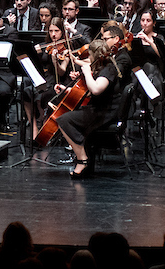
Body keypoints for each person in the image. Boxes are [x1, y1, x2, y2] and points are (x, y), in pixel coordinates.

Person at [55, 22, 132, 178]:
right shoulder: (106, 66)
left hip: (105, 113)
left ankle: (82, 159)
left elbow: (96, 89)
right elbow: (90, 92)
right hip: (101, 108)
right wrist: (67, 90)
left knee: (63, 120)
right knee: (70, 116)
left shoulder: (109, 69)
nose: (88, 59)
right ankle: (84, 157)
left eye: (90, 56)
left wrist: (87, 73)